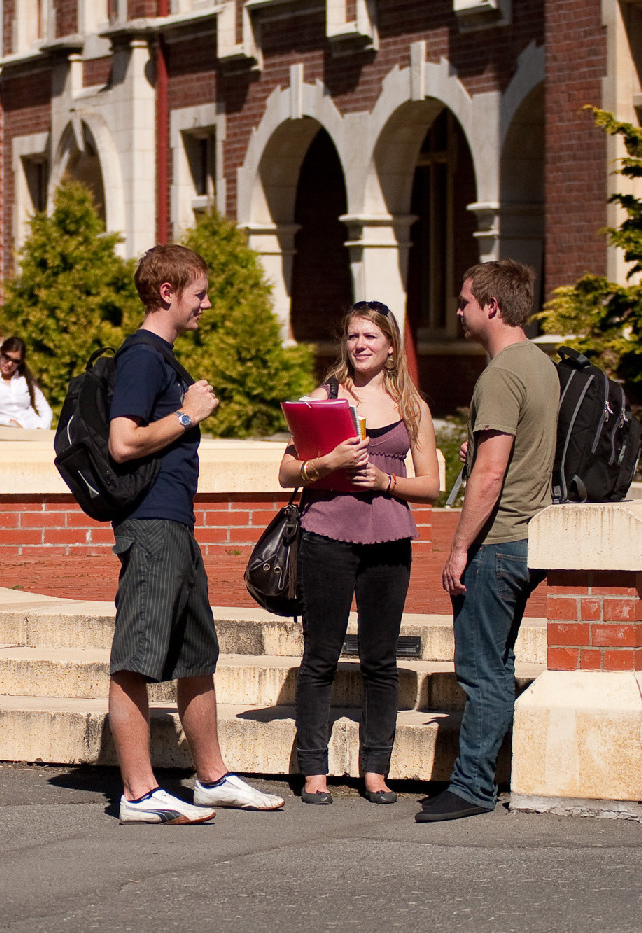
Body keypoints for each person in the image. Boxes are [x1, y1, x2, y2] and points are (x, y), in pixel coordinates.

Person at [106, 243, 285, 824]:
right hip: (152, 525)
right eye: (199, 294)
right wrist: (187, 414)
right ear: (168, 292)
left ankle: (212, 778)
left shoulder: (164, 358)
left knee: (196, 656)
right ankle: (138, 793)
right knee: (136, 656)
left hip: (175, 526)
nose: (206, 304)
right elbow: (123, 442)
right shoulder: (142, 357)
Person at [278, 301, 440, 806]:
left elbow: (432, 486)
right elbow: (286, 472)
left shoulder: (413, 407)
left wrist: (387, 481)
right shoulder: (322, 400)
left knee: (381, 660)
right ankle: (313, 770)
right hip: (326, 534)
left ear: (391, 346)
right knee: (320, 656)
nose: (360, 344)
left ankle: (376, 770)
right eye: (353, 336)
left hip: (389, 540)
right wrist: (328, 462)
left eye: (371, 336)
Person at [417, 259, 558, 823]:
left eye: (465, 302)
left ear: (492, 307)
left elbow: (492, 474)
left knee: (482, 671)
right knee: (497, 665)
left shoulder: (499, 375)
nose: (458, 312)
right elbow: (518, 452)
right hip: (529, 537)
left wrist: (459, 549)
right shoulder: (540, 364)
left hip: (497, 543)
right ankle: (488, 777)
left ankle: (473, 786)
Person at [0, 337, 53, 430]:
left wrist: (41, 428)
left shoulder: (26, 379)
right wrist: (8, 422)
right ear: (0, 353)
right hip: (7, 432)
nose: (10, 364)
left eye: (16, 361)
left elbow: (45, 410)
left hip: (33, 430)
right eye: (7, 357)